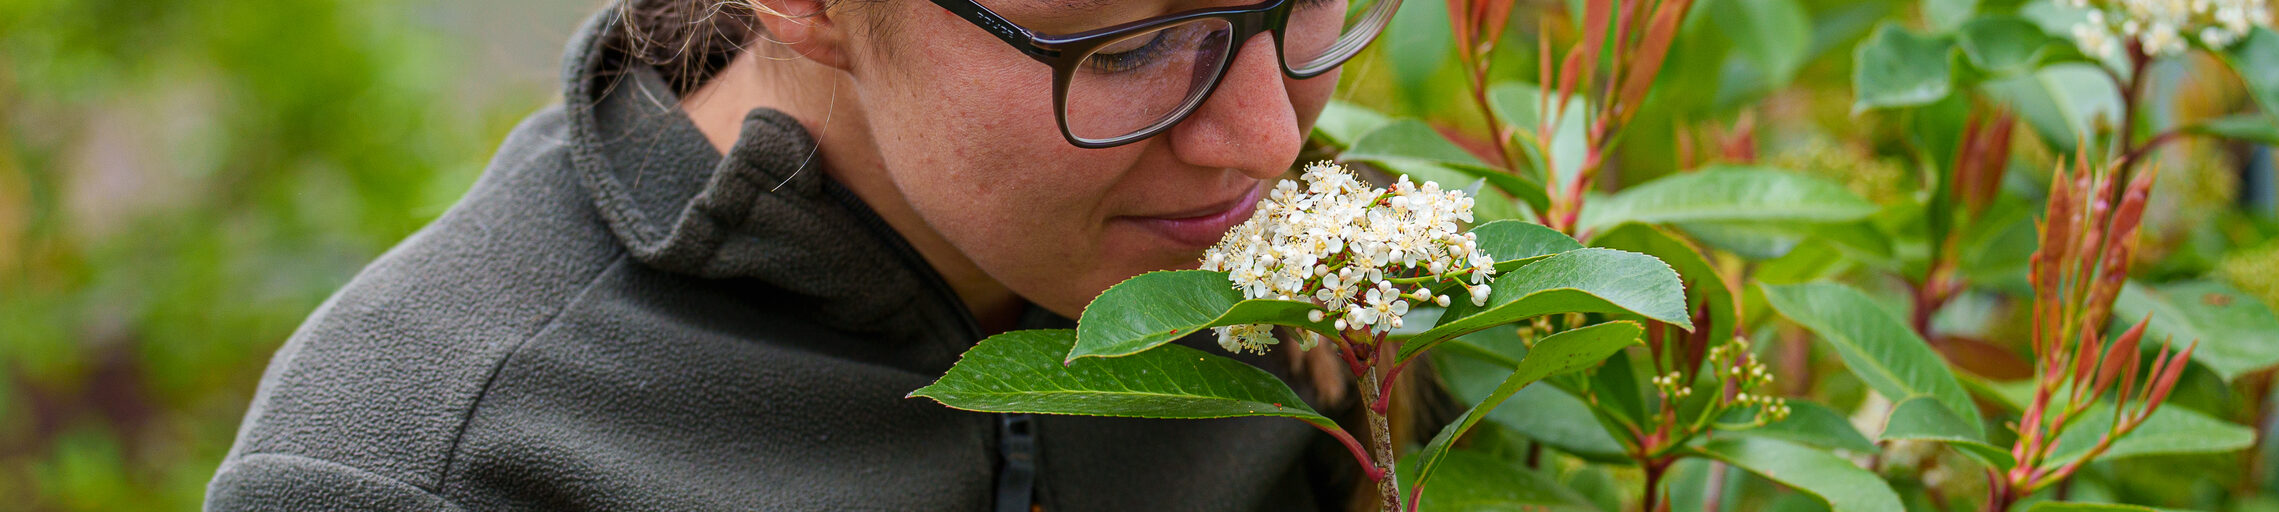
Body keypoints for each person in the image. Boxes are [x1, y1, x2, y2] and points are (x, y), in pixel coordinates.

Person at [204, 0, 1398, 508]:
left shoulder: (1349, 269)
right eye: (1128, 46)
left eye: (1307, 3)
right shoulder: (423, 465)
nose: (1268, 137)